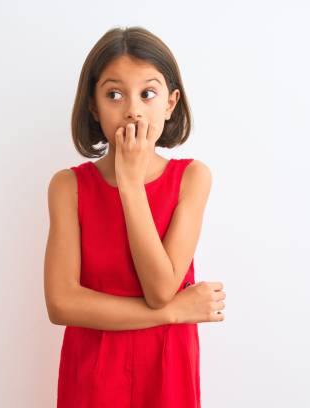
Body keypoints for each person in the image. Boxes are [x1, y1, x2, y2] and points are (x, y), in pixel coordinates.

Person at [43, 26, 226, 408]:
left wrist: (130, 182)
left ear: (171, 103)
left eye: (148, 93)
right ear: (93, 105)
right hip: (93, 372)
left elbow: (160, 287)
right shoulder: (67, 187)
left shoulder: (192, 178)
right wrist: (176, 311)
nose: (133, 109)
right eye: (114, 94)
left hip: (167, 370)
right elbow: (62, 303)